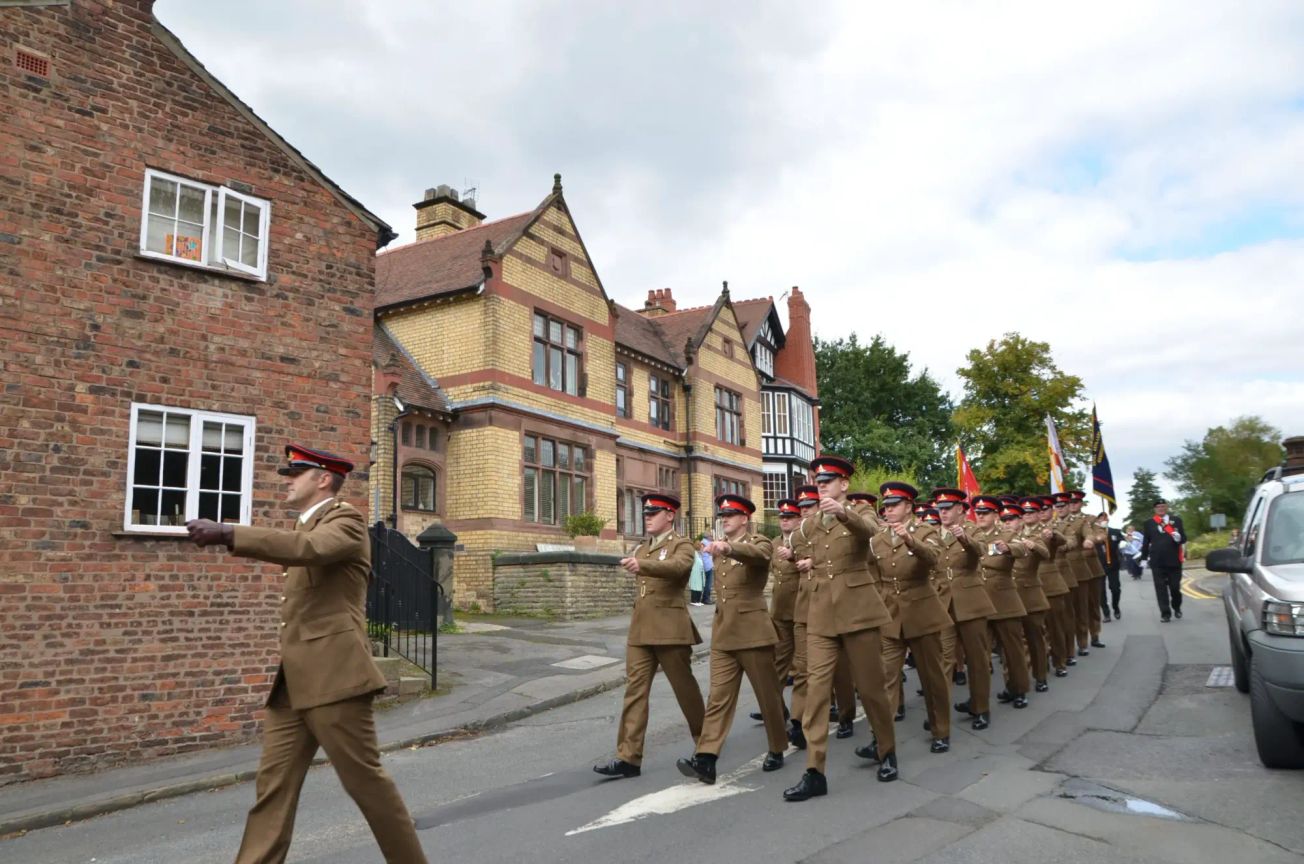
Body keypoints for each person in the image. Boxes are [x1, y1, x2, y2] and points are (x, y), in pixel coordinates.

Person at [184, 444, 428, 864]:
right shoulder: (306, 526)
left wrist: (229, 533)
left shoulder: (345, 522)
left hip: (336, 679)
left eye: (296, 473)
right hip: (293, 685)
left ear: (323, 479)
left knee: (366, 785)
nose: (288, 480)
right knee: (272, 789)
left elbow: (309, 549)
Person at [784, 457, 899, 801]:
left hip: (857, 611)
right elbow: (794, 550)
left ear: (844, 484)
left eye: (829, 481)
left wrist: (843, 513)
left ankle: (887, 749)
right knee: (817, 694)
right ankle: (814, 771)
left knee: (871, 687)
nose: (822, 486)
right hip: (820, 614)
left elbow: (872, 532)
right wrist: (793, 557)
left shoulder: (859, 513)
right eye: (818, 481)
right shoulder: (811, 523)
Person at [678, 495, 788, 784]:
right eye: (722, 515)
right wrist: (720, 548)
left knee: (768, 696)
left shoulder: (760, 542)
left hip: (753, 633)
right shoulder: (716, 550)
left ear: (745, 519)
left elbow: (758, 556)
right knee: (718, 699)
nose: (724, 519)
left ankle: (777, 746)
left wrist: (727, 547)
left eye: (731, 515)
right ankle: (706, 759)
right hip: (725, 633)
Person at [595, 493, 706, 778]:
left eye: (654, 512)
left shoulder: (681, 545)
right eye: (646, 512)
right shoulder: (643, 547)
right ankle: (628, 758)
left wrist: (642, 565)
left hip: (670, 629)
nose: (648, 516)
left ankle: (707, 745)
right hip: (642, 628)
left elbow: (678, 568)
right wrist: (639, 561)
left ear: (670, 515)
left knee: (685, 690)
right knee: (635, 692)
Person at [868, 483, 952, 755]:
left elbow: (934, 559)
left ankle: (940, 729)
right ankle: (881, 740)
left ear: (909, 507)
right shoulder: (878, 537)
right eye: (886, 506)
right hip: (891, 616)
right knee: (886, 678)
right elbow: (873, 574)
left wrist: (910, 540)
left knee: (932, 677)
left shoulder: (926, 531)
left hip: (922, 613)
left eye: (894, 505)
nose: (888, 510)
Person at [931, 489, 996, 731]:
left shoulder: (973, 529)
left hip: (970, 601)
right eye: (940, 508)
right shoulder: (932, 534)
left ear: (961, 509)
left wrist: (964, 538)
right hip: (943, 603)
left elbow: (981, 550)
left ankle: (980, 707)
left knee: (977, 658)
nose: (943, 512)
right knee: (944, 660)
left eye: (948, 508)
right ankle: (940, 714)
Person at [976, 499, 1031, 709]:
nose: (980, 516)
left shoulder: (1007, 534)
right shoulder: (971, 534)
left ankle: (1018, 689)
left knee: (1012, 651)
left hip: (1004, 601)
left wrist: (1008, 548)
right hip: (979, 602)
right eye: (978, 513)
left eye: (986, 513)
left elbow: (1022, 549)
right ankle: (978, 700)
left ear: (996, 516)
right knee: (980, 654)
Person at [1140, 498, 1186, 623]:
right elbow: (1146, 542)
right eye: (1159, 507)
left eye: (1163, 506)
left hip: (1174, 560)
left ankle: (1176, 606)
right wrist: (1144, 558)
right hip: (1157, 560)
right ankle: (1165, 613)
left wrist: (1178, 538)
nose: (1161, 508)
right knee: (1160, 588)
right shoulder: (1149, 523)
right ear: (1155, 509)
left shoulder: (1176, 520)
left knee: (1175, 588)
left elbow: (1183, 539)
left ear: (1166, 508)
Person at [1098, 516, 1124, 621]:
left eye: (1104, 519)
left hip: (1113, 564)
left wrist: (1122, 543)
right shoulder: (1094, 533)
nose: (1102, 521)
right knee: (1100, 591)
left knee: (1115, 588)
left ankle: (1115, 607)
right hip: (1098, 565)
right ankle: (1106, 612)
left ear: (1107, 521)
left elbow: (1122, 541)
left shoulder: (1115, 532)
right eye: (1100, 519)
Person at [699, 535, 715, 604]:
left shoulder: (702, 542)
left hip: (703, 564)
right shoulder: (707, 543)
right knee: (708, 583)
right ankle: (706, 599)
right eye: (711, 536)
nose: (712, 538)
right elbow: (712, 551)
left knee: (705, 582)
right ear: (708, 537)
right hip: (708, 565)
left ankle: (704, 598)